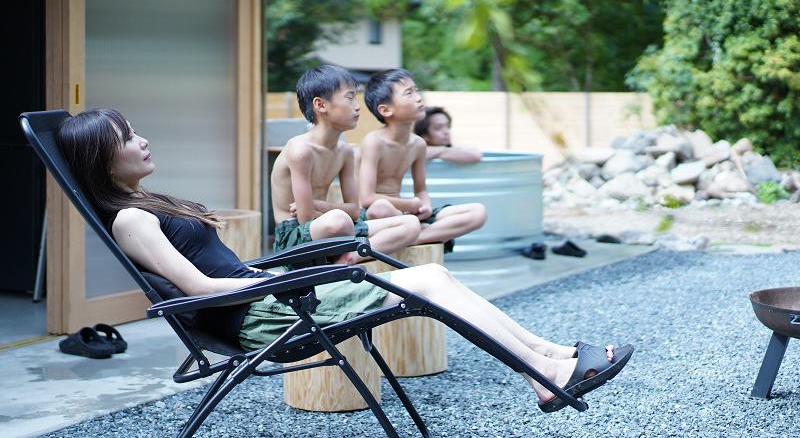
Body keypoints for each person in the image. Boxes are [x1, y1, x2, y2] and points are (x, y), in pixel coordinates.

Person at [55, 107, 633, 412]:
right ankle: (546, 374)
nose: (143, 141)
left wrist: (276, 276)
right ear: (104, 156)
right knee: (426, 282)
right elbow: (203, 290)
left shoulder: (143, 205)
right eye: (128, 138)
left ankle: (551, 361)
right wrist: (285, 280)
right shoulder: (130, 219)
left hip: (267, 298)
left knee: (429, 275)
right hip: (264, 317)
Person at [270, 65, 420, 263]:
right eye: (350, 97)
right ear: (321, 105)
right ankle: (352, 247)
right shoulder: (300, 149)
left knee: (410, 223)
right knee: (338, 221)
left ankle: (349, 259)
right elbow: (305, 217)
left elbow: (354, 209)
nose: (357, 106)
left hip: (337, 224)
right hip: (295, 234)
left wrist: (320, 205)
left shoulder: (345, 151)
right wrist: (338, 212)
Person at [359, 69, 487, 253]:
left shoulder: (418, 144)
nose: (419, 98)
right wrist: (411, 204)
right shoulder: (374, 141)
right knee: (381, 207)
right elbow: (367, 198)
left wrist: (424, 205)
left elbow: (421, 190)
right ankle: (417, 231)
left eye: (416, 90)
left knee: (477, 212)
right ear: (386, 110)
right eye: (409, 93)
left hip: (407, 214)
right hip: (377, 215)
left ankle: (416, 236)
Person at [414, 106, 482, 163]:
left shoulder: (450, 150)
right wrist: (443, 151)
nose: (446, 132)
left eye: (448, 126)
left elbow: (476, 155)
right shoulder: (412, 151)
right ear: (424, 135)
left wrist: (441, 151)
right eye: (438, 128)